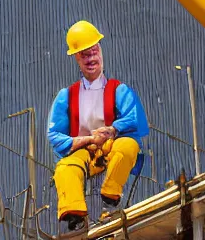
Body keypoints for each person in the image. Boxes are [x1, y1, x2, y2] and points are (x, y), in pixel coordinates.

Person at [47, 20, 148, 232]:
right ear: (77, 58)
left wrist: (113, 129)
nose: (91, 58)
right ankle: (74, 213)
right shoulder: (67, 96)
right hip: (85, 150)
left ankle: (110, 195)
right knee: (65, 168)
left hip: (111, 145)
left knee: (128, 146)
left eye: (94, 52)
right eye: (85, 54)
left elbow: (134, 118)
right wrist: (87, 140)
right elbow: (54, 135)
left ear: (100, 51)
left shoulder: (118, 90)